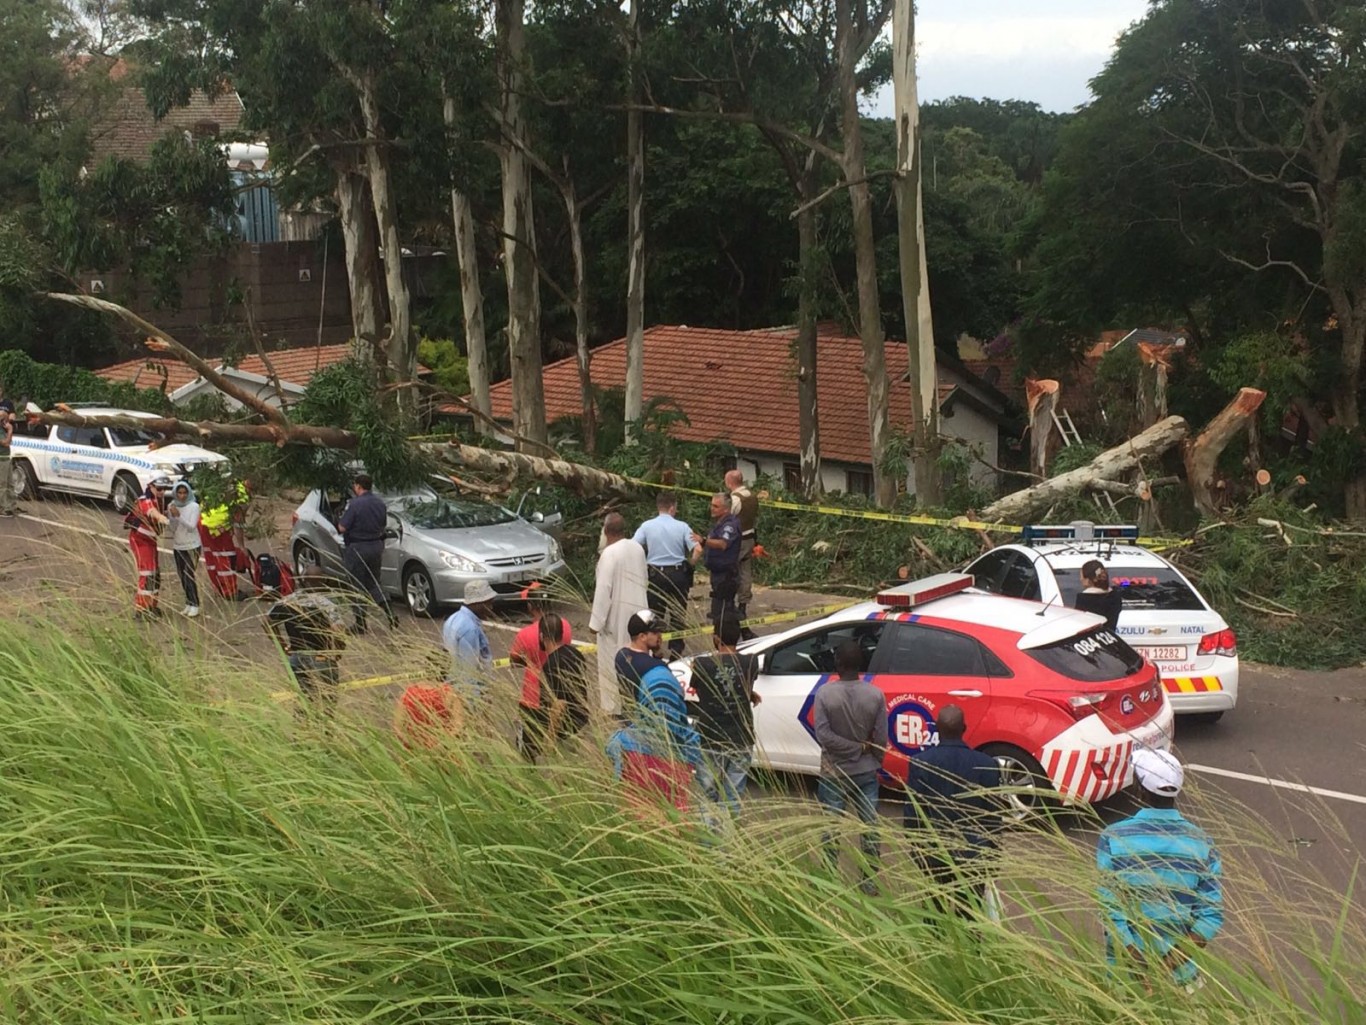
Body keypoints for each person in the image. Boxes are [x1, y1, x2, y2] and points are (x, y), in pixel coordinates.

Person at [1097, 748, 1223, 992]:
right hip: (1182, 979)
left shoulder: (1113, 838)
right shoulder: (1202, 843)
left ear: (1138, 789)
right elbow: (1210, 917)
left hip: (1126, 978)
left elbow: (1110, 911)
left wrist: (1140, 964)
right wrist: (1166, 968)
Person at [904, 704, 1003, 918]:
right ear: (964, 728)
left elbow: (913, 815)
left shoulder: (921, 763)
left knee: (934, 913)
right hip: (974, 853)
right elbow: (993, 817)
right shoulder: (987, 764)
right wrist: (994, 855)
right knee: (970, 914)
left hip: (935, 851)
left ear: (936, 728)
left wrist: (916, 849)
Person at [605, 609, 703, 811]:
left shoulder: (621, 657)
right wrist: (658, 659)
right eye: (655, 633)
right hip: (656, 742)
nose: (661, 637)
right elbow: (673, 704)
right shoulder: (656, 669)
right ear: (642, 637)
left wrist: (655, 654)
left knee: (635, 800)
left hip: (629, 732)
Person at [813, 640, 888, 893]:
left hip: (834, 771)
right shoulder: (875, 695)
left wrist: (850, 750)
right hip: (866, 771)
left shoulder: (825, 693)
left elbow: (823, 735)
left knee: (831, 828)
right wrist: (868, 754)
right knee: (869, 828)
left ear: (838, 664)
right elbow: (880, 738)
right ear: (860, 665)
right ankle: (869, 883)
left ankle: (830, 878)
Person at [689, 611, 760, 817]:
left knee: (708, 794)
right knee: (733, 794)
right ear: (738, 636)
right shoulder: (750, 663)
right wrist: (750, 694)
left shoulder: (702, 664)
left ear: (716, 638)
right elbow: (744, 686)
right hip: (741, 738)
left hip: (710, 738)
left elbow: (697, 688)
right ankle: (729, 841)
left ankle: (710, 842)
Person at [266, 567, 347, 722]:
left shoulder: (288, 601)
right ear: (321, 582)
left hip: (297, 657)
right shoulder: (326, 604)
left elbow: (267, 621)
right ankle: (326, 732)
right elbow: (338, 629)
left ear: (302, 581)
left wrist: (281, 644)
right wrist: (336, 651)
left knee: (304, 697)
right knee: (327, 699)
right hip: (321, 657)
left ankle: (302, 731)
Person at [589, 512, 649, 716]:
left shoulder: (609, 554)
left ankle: (614, 707)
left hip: (615, 620)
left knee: (612, 662)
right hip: (640, 613)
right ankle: (638, 701)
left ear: (606, 532)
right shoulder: (637, 548)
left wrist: (596, 623)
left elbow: (604, 589)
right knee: (639, 657)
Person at [633, 492, 702, 657]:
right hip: (678, 574)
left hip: (656, 575)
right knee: (678, 613)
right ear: (672, 507)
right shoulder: (683, 526)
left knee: (655, 614)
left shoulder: (647, 526)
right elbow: (698, 549)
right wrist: (690, 565)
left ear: (659, 507)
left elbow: (634, 545)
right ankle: (676, 650)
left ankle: (655, 649)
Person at [510, 600, 573, 760]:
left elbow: (514, 660)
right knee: (557, 741)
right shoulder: (564, 625)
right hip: (558, 693)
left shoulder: (524, 634)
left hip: (532, 696)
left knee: (527, 746)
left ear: (530, 606)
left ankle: (528, 775)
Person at [337, 473, 397, 631]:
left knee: (356, 585)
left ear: (358, 486)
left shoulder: (355, 504)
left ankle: (360, 623)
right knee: (374, 582)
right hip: (376, 546)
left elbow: (342, 527)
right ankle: (390, 613)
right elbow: (383, 524)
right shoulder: (380, 504)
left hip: (357, 548)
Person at [539, 613, 593, 746]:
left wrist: (550, 738)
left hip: (565, 728)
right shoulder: (575, 653)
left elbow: (559, 704)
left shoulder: (551, 664)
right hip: (582, 720)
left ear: (541, 636)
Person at [693, 493, 742, 629]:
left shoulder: (730, 525)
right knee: (721, 610)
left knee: (723, 612)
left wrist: (703, 540)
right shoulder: (719, 524)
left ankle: (735, 635)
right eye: (712, 505)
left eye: (715, 506)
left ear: (726, 509)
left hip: (726, 575)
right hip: (717, 574)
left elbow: (723, 544)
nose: (711, 508)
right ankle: (740, 632)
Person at [126, 476, 171, 619]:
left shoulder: (160, 500)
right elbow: (151, 511)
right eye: (159, 489)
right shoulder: (145, 500)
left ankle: (152, 605)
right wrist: (161, 518)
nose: (162, 492)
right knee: (147, 573)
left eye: (164, 489)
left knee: (155, 574)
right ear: (150, 486)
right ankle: (142, 609)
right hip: (140, 540)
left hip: (150, 540)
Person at [442, 579, 495, 697]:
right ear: (477, 603)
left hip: (451, 686)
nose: (491, 608)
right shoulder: (470, 629)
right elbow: (470, 670)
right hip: (466, 693)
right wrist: (476, 701)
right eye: (488, 603)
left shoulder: (452, 619)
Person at [199, 478, 250, 599]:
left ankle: (218, 588)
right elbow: (238, 523)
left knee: (211, 557)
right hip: (219, 526)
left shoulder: (218, 483)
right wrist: (242, 547)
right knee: (226, 557)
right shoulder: (242, 495)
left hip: (203, 521)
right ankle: (230, 592)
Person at [725, 469, 760, 638]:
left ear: (730, 482)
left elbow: (727, 520)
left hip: (736, 541)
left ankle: (732, 616)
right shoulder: (752, 497)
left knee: (731, 574)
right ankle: (742, 612)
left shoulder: (734, 499)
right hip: (750, 539)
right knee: (746, 576)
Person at [166, 480, 202, 617]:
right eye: (179, 493)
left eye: (184, 493)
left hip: (192, 545)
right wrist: (171, 517)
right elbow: (173, 528)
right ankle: (188, 602)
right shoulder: (172, 505)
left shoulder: (194, 506)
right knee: (182, 575)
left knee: (189, 575)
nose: (182, 496)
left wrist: (178, 516)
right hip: (178, 545)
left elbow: (192, 526)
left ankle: (195, 604)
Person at [1075, 559, 1123, 633]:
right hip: (1109, 638)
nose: (1080, 579)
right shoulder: (1115, 596)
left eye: (1081, 576)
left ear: (1088, 580)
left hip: (1091, 640)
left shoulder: (1084, 600)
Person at [0, 379, 15, 518]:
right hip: (1, 456)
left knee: (10, 482)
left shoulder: (4, 427)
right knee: (2, 484)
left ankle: (11, 505)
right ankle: (4, 507)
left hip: (6, 455)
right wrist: (9, 431)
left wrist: (9, 427)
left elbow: (11, 415)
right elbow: (5, 442)